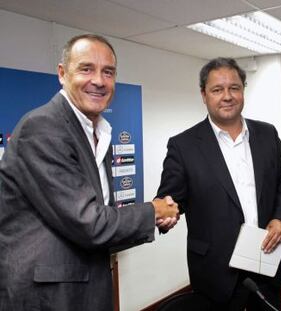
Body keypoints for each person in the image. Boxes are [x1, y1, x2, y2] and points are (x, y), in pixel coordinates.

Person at [0, 34, 179, 311]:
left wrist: (154, 217)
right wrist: (153, 212)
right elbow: (89, 222)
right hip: (48, 297)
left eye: (108, 72)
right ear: (62, 74)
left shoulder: (97, 131)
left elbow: (95, 218)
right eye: (86, 69)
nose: (99, 80)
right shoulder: (43, 127)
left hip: (84, 285)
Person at [157, 57, 281, 310]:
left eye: (234, 88)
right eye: (217, 89)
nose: (227, 96)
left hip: (265, 260)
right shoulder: (183, 145)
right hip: (215, 273)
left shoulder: (267, 134)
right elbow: (169, 201)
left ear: (243, 90)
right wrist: (165, 214)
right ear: (204, 95)